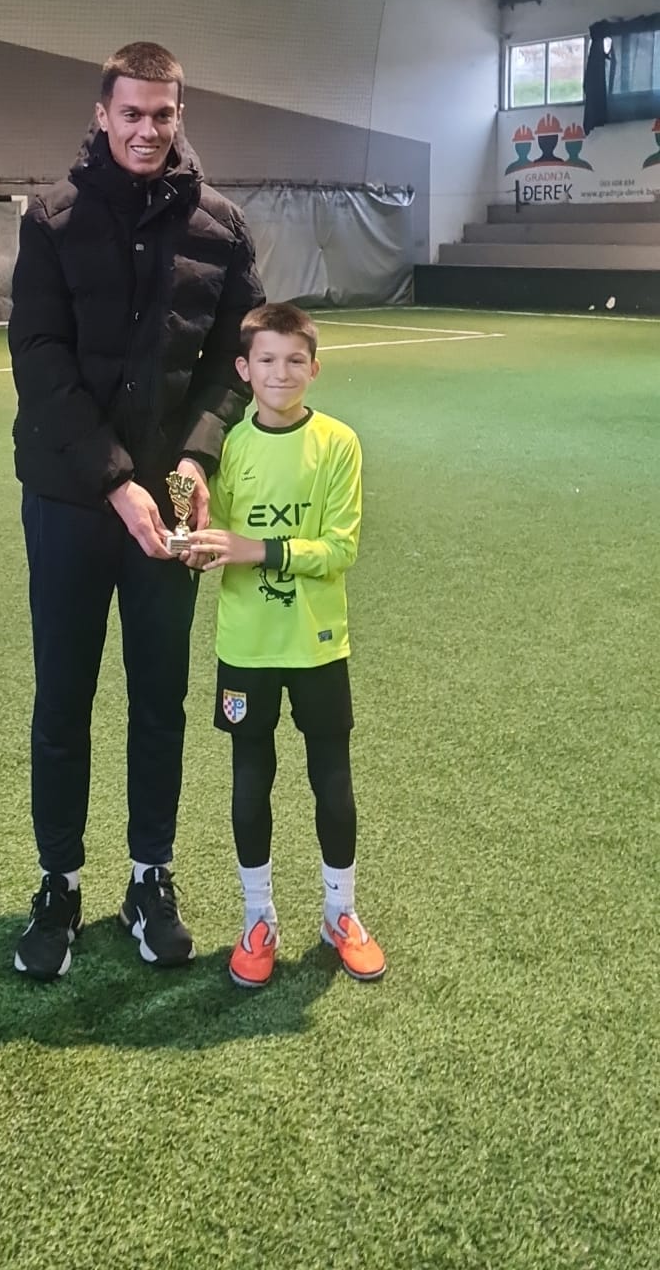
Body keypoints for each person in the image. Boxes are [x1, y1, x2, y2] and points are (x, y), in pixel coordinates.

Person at [8, 41, 263, 979]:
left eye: (163, 114)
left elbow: (232, 366)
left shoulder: (222, 229)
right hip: (71, 500)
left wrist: (196, 457)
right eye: (132, 113)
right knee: (63, 699)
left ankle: (150, 879)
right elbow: (39, 360)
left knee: (159, 702)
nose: (148, 130)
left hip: (171, 512)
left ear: (178, 115)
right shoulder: (52, 219)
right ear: (103, 114)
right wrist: (117, 480)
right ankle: (59, 884)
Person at [185, 302, 385, 987]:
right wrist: (198, 545)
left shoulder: (338, 443)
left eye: (295, 359)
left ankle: (340, 913)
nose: (281, 372)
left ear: (314, 369)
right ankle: (257, 918)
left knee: (332, 778)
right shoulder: (228, 448)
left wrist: (257, 549)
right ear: (243, 369)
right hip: (247, 647)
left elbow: (340, 548)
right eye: (266, 359)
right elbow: (216, 534)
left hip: (318, 644)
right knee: (251, 779)